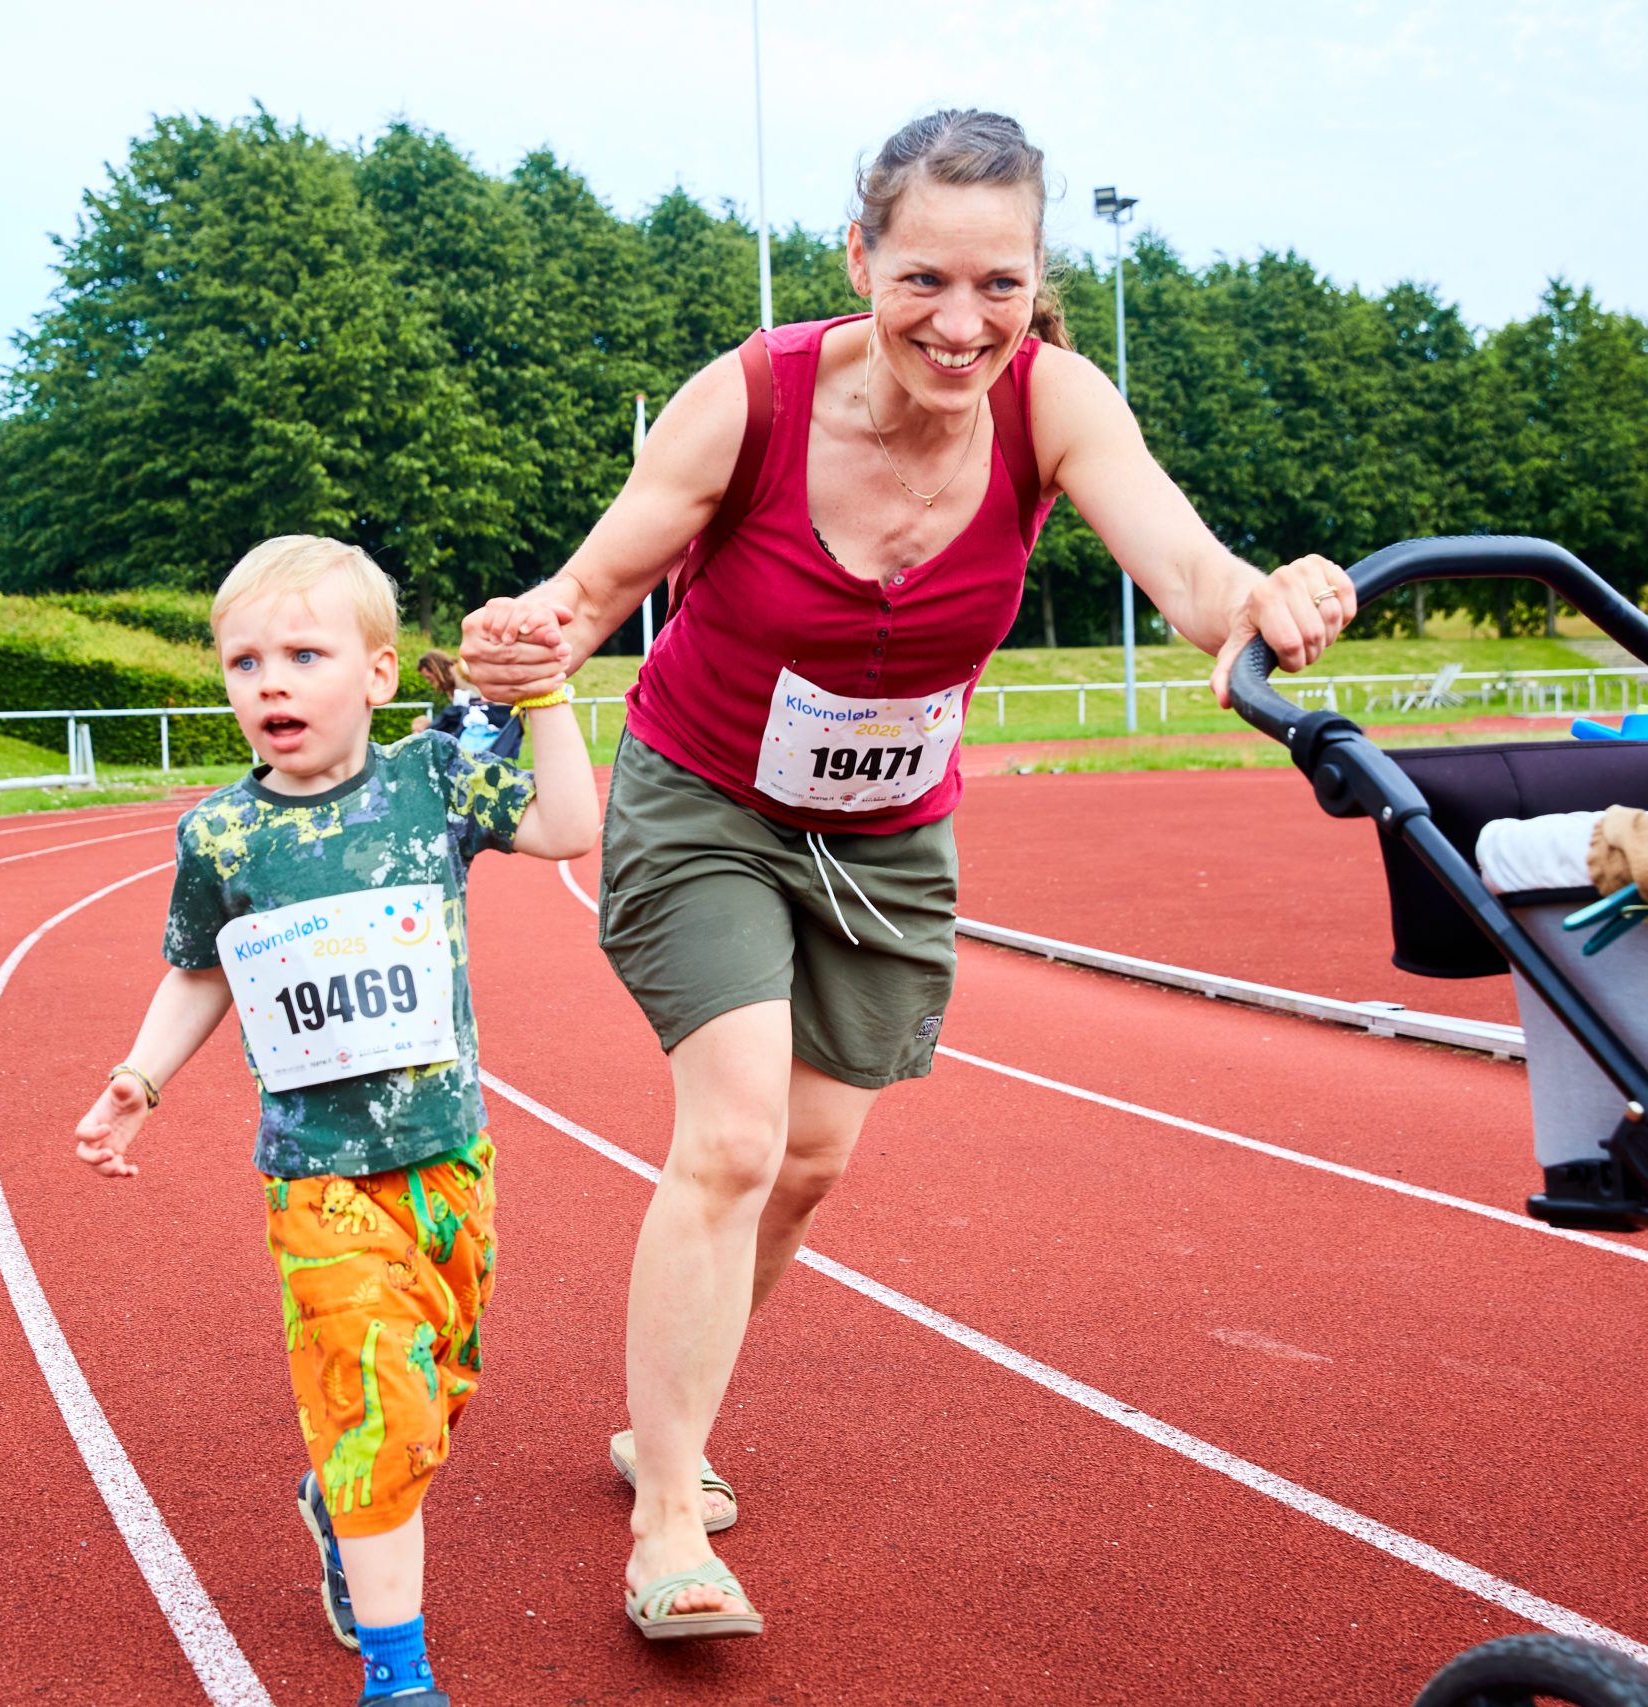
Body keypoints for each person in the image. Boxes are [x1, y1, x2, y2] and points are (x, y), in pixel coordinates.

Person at [456, 109, 1356, 1641]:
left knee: (810, 1159)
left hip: (886, 830)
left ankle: (653, 1418)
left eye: (1000, 284)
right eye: (926, 276)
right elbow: (597, 583)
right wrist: (526, 635)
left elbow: (1197, 578)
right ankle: (671, 1512)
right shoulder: (750, 398)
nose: (962, 323)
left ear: (1037, 278)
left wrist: (1272, 600)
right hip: (711, 797)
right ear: (861, 254)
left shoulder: (1057, 402)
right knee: (734, 1137)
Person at [70, 536, 597, 1707]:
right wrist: (140, 1079)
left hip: (449, 1165)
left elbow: (568, 829)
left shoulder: (429, 787)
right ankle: (395, 1675)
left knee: (436, 1394)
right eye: (244, 659)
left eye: (303, 654)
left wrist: (550, 695)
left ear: (375, 673)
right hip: (318, 1182)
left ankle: (338, 1501)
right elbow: (201, 968)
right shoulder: (221, 836)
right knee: (375, 1402)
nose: (270, 681)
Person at [409, 650, 522, 760]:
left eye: (428, 677)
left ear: (436, 669)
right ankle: (428, 740)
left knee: (449, 713)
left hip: (499, 712)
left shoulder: (463, 669)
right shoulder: (451, 689)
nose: (429, 681)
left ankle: (425, 737)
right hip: (477, 720)